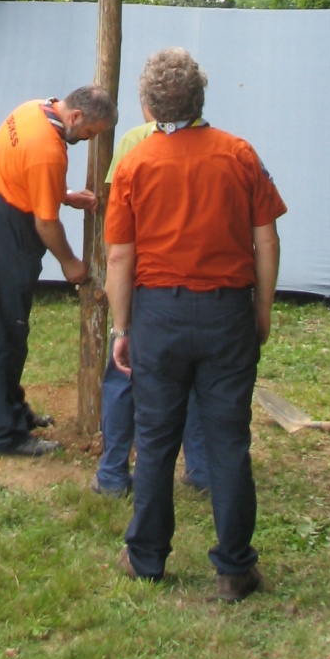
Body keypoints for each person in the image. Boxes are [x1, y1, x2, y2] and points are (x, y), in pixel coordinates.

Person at [105, 47, 285, 600]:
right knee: (229, 440)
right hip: (227, 311)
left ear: (148, 104)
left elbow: (119, 257)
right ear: (200, 96)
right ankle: (234, 569)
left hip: (159, 314)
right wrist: (261, 309)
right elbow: (266, 239)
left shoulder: (134, 164)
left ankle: (147, 558)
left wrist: (122, 328)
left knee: (156, 439)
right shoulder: (240, 154)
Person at [0, 85, 117, 457]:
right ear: (76, 117)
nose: (88, 139)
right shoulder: (49, 151)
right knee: (5, 332)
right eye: (90, 132)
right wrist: (71, 264)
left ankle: (14, 411)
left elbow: (25, 172)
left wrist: (63, 193)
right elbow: (46, 226)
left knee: (9, 328)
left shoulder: (34, 109)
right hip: (4, 231)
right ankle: (7, 436)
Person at [94, 109, 210, 497]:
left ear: (149, 105)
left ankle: (113, 472)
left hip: (145, 282)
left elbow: (116, 222)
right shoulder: (216, 147)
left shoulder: (133, 141)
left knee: (124, 374)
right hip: (194, 285)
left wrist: (119, 310)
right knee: (192, 378)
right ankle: (202, 468)